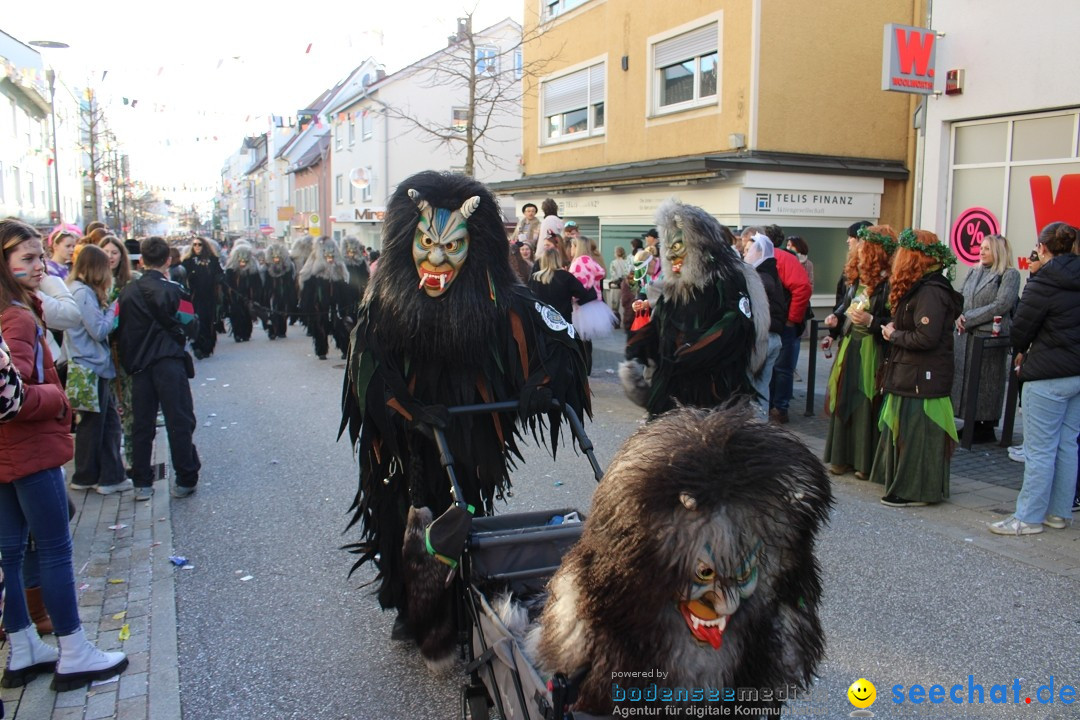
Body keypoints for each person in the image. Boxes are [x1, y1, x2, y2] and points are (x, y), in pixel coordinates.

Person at [341, 172, 590, 670]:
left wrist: (539, 388)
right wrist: (407, 413)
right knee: (400, 513)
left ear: (473, 249)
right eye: (427, 244)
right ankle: (406, 602)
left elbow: (560, 343)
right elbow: (366, 378)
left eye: (452, 246)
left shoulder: (503, 301)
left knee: (463, 511)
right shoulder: (384, 308)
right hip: (404, 446)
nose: (436, 259)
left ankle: (455, 603)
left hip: (469, 437)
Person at [0, 218, 128, 690]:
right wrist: (55, 399)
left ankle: (24, 645)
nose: (41, 267)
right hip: (27, 448)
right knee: (53, 548)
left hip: (9, 454)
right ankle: (73, 650)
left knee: (11, 554)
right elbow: (9, 396)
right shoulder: (14, 315)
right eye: (28, 259)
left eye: (40, 256)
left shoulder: (15, 307)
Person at [622, 200, 769, 417]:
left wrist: (690, 352)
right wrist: (641, 346)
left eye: (678, 246)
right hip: (672, 395)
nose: (671, 255)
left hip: (713, 396)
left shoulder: (729, 280)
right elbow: (661, 326)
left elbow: (735, 327)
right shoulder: (673, 288)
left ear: (698, 246)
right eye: (668, 247)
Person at [990, 222, 1080, 535]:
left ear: (1042, 248)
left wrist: (1019, 352)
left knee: (1040, 449)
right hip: (1077, 373)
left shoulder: (1044, 281)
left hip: (1047, 372)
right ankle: (1058, 513)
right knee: (1068, 445)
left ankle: (1027, 517)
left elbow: (1022, 328)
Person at [870, 229, 962, 507]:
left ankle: (916, 490)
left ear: (913, 257)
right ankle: (909, 485)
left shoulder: (932, 290)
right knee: (909, 432)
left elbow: (926, 338)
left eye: (903, 252)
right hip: (911, 372)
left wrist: (892, 334)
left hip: (923, 376)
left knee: (918, 434)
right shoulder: (923, 286)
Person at [117, 236, 201, 501]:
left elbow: (115, 326)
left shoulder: (126, 292)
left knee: (142, 424)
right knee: (179, 420)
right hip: (169, 362)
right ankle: (185, 478)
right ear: (168, 260)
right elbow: (191, 323)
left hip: (140, 365)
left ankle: (142, 482)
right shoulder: (175, 290)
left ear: (141, 261)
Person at [822, 226, 896, 479]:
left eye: (865, 249)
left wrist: (871, 320)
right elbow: (845, 306)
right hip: (851, 346)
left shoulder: (889, 282)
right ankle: (841, 458)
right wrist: (834, 319)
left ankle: (864, 462)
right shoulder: (857, 278)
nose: (859, 252)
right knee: (844, 398)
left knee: (866, 403)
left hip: (873, 349)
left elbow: (895, 319)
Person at [64, 245, 128, 495]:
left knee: (98, 423)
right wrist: (114, 308)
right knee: (101, 425)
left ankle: (93, 475)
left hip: (86, 366)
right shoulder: (82, 294)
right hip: (91, 366)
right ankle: (104, 477)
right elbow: (99, 330)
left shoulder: (77, 290)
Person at [950, 233, 1021, 443]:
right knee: (965, 381)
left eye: (987, 248)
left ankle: (984, 425)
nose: (981, 251)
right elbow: (961, 296)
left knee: (985, 383)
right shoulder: (974, 270)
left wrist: (969, 318)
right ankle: (968, 421)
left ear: (998, 251)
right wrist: (958, 315)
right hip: (966, 336)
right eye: (981, 247)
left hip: (989, 337)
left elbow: (1002, 304)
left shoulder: (1009, 275)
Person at [101, 235, 140, 474]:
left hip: (129, 350)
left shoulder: (132, 281)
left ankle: (134, 459)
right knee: (110, 410)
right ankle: (113, 462)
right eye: (105, 252)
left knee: (131, 405)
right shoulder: (95, 283)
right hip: (104, 352)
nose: (110, 256)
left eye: (114, 252)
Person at [742, 233, 786, 416]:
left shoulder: (760, 277)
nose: (744, 254)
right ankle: (761, 430)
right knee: (762, 390)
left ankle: (755, 432)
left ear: (759, 252)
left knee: (754, 391)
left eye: (747, 250)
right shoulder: (770, 273)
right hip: (772, 337)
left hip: (762, 339)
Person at [298, 237, 353, 360]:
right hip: (320, 300)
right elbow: (305, 275)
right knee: (319, 325)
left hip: (336, 301)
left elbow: (345, 278)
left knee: (339, 324)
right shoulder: (314, 259)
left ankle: (344, 348)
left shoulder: (338, 261)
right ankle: (321, 350)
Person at [568, 235, 612, 374]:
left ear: (577, 247)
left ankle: (582, 369)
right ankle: (587, 368)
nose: (570, 249)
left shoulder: (579, 262)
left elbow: (579, 285)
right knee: (586, 341)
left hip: (581, 305)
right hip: (592, 304)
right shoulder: (590, 261)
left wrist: (570, 298)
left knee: (580, 340)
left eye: (572, 246)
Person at [530, 246, 596, 324]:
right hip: (563, 318)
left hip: (542, 318)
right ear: (558, 259)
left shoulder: (535, 277)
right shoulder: (566, 276)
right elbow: (581, 293)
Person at [181, 236, 223, 359]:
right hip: (194, 296)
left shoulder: (213, 260)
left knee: (208, 321)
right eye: (194, 244)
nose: (197, 247)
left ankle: (208, 347)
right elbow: (182, 275)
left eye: (199, 244)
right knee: (196, 320)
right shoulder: (187, 261)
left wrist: (219, 278)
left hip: (209, 295)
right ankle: (197, 346)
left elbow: (220, 273)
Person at [223, 243, 264, 343]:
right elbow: (227, 283)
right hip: (234, 296)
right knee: (235, 314)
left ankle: (246, 333)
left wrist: (255, 297)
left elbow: (257, 284)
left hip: (248, 296)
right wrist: (229, 295)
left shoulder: (253, 269)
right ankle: (237, 334)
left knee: (247, 315)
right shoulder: (231, 269)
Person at [263, 242, 295, 340]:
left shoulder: (288, 268)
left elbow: (290, 282)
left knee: (283, 311)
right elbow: (265, 282)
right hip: (272, 293)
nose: (276, 259)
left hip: (283, 292)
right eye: (274, 257)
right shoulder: (266, 269)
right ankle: (272, 331)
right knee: (272, 311)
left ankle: (282, 330)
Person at [605, 246, 630, 322]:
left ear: (616, 253)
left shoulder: (613, 263)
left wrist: (616, 280)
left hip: (615, 286)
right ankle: (627, 320)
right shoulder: (627, 262)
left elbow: (613, 274)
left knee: (614, 305)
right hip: (625, 285)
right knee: (626, 304)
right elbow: (627, 273)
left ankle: (616, 322)